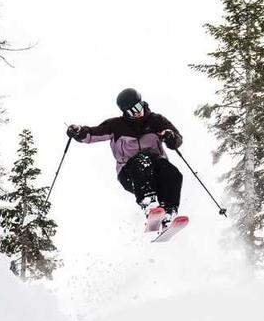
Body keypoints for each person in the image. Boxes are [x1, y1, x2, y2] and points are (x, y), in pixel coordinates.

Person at [67, 88, 184, 230]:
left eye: (139, 107)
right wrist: (79, 132)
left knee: (173, 173)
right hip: (130, 173)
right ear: (125, 112)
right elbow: (92, 134)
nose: (137, 112)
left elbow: (176, 140)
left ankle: (169, 212)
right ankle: (149, 204)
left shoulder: (157, 121)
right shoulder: (116, 125)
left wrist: (170, 137)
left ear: (143, 103)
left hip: (156, 169)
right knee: (141, 159)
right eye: (132, 111)